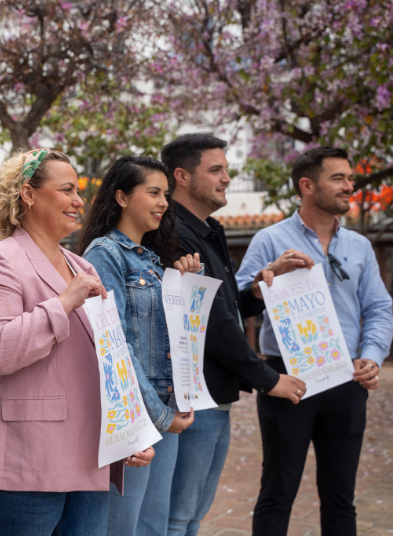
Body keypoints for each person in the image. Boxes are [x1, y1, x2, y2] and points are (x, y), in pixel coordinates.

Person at [0, 148, 154, 536]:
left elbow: (110, 360)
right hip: (23, 461)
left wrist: (129, 432)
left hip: (90, 458)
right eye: (67, 189)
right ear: (28, 195)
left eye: (79, 191)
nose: (79, 201)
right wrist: (64, 301)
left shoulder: (82, 266)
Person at [235, 146, 393, 535]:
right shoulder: (270, 240)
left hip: (347, 380)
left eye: (350, 179)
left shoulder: (358, 247)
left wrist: (371, 356)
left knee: (342, 498)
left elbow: (378, 307)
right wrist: (267, 276)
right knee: (277, 492)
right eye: (338, 178)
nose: (349, 187)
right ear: (307, 185)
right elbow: (236, 303)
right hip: (288, 381)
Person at [161, 133, 309, 535]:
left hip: (215, 394)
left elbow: (223, 308)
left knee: (191, 515)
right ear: (183, 176)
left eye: (226, 168)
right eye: (216, 169)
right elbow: (209, 321)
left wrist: (258, 292)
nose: (227, 177)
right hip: (193, 396)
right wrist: (267, 378)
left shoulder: (207, 229)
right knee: (178, 516)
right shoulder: (175, 231)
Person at [78, 156, 198, 535]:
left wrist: (182, 285)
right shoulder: (104, 254)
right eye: (153, 193)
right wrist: (160, 416)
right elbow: (116, 345)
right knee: (122, 529)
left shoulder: (154, 262)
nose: (164, 202)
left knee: (153, 528)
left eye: (166, 194)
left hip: (164, 407)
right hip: (135, 416)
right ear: (122, 197)